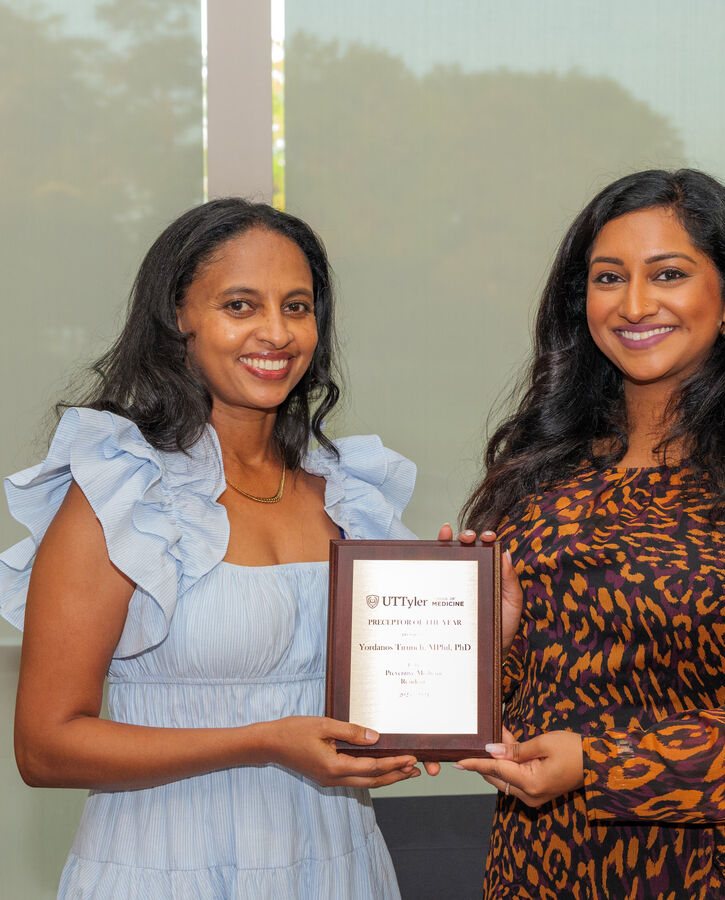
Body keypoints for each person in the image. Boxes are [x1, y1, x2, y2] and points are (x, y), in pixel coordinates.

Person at [455, 169, 725, 899]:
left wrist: (601, 764)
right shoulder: (543, 465)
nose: (634, 304)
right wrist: (490, 642)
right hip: (541, 869)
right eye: (608, 277)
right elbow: (502, 715)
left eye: (669, 273)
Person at [0, 199, 422, 898]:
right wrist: (260, 740)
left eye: (297, 306)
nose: (276, 333)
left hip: (337, 863)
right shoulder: (122, 492)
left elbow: (392, 700)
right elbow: (44, 746)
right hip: (164, 867)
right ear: (179, 318)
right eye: (239, 305)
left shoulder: (347, 493)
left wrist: (485, 628)